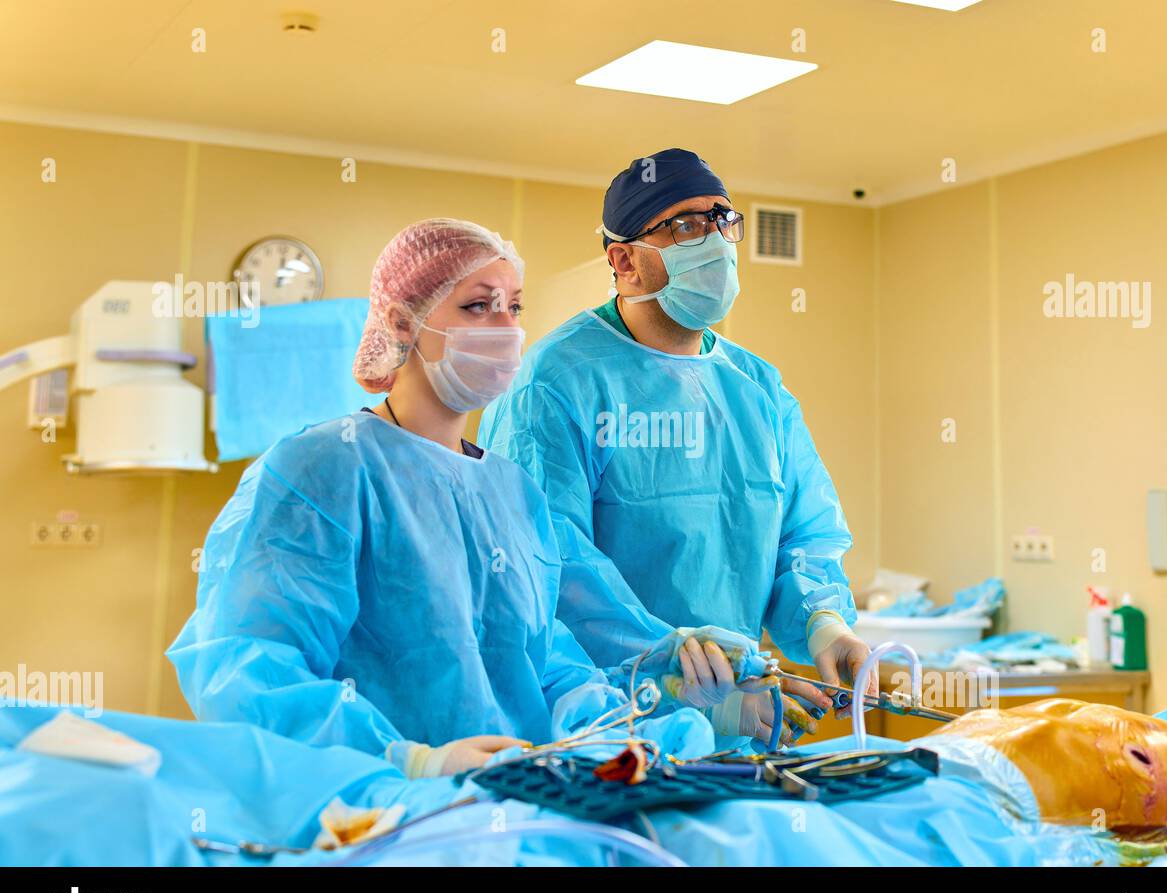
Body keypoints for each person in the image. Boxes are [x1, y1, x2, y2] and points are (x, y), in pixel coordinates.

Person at [169, 219, 801, 777]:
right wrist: (407, 762)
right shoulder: (324, 467)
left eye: (514, 307)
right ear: (400, 322)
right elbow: (248, 668)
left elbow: (548, 668)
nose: (504, 329)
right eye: (478, 307)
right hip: (377, 820)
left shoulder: (511, 493)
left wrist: (670, 715)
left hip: (515, 808)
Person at [480, 148, 876, 719]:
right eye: (686, 225)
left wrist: (822, 624)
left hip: (740, 716)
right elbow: (552, 571)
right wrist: (674, 679)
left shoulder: (757, 388)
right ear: (624, 260)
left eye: (722, 220)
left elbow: (804, 532)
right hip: (606, 727)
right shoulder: (556, 384)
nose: (714, 240)